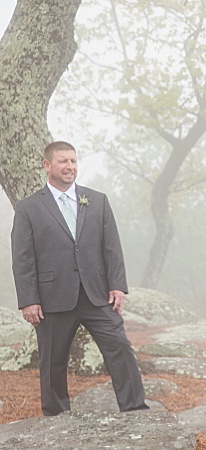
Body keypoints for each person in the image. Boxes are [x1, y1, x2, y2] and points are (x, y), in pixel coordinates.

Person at [11, 141, 148, 416]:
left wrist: (117, 285)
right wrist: (28, 300)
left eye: (73, 161)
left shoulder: (98, 200)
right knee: (53, 361)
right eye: (63, 161)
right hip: (52, 299)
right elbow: (23, 258)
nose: (70, 166)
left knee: (120, 346)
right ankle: (57, 417)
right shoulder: (28, 208)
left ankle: (135, 409)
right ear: (47, 165)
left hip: (97, 294)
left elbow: (112, 246)